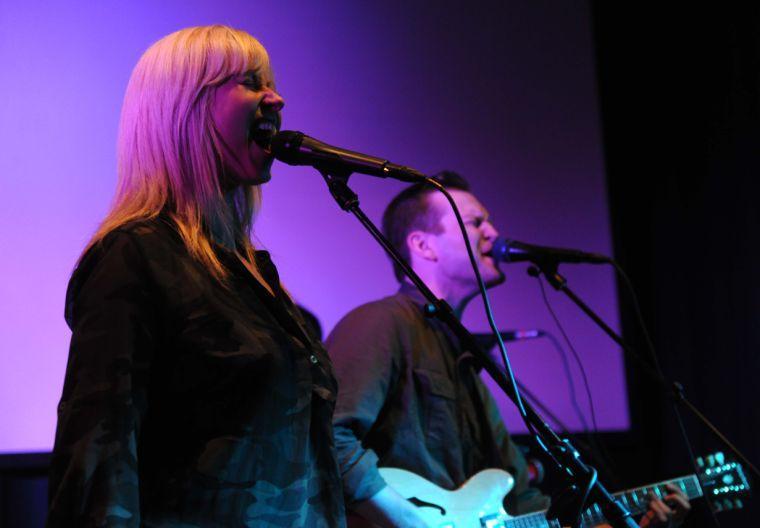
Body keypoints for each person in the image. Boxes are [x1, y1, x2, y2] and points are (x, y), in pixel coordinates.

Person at [47, 26, 344, 527]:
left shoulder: (246, 267)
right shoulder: (136, 256)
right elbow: (99, 455)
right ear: (188, 107)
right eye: (251, 82)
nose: (277, 98)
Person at [326, 171, 690, 527]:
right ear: (423, 245)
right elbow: (327, 435)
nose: (494, 233)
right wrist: (408, 519)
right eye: (475, 222)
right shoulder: (380, 322)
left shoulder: (465, 358)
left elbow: (521, 503)